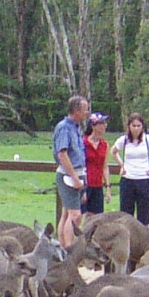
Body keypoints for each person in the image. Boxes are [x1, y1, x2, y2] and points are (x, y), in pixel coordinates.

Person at [52, 94, 90, 247]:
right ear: (76, 110)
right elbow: (62, 154)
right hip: (69, 176)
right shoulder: (64, 128)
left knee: (67, 213)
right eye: (85, 110)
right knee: (75, 215)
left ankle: (63, 247)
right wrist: (74, 177)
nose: (87, 113)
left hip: (78, 174)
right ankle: (69, 248)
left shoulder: (76, 128)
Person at [112, 113, 149, 225]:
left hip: (144, 179)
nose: (136, 128)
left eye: (138, 126)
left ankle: (143, 240)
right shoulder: (124, 140)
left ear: (142, 126)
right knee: (126, 214)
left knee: (144, 215)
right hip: (128, 178)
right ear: (129, 126)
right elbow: (113, 152)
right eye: (133, 125)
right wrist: (122, 165)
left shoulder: (148, 139)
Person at [83, 112, 112, 219]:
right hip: (85, 183)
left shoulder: (104, 145)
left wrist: (108, 187)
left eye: (105, 123)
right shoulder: (83, 142)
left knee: (95, 217)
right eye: (101, 123)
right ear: (93, 126)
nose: (105, 126)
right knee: (77, 215)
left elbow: (105, 167)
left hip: (97, 185)